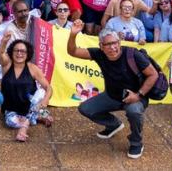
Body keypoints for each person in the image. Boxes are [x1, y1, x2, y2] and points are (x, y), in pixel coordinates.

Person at [67, 21, 158, 159]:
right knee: (85, 108)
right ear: (101, 46)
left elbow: (153, 75)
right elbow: (73, 51)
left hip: (136, 97)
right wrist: (73, 34)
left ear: (119, 42)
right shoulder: (99, 54)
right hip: (111, 96)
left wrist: (139, 95)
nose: (112, 47)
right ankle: (114, 124)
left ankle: (136, 142)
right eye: (108, 44)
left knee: (133, 111)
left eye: (115, 43)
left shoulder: (133, 55)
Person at [0, 33, 53, 142]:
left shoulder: (33, 68)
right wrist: (4, 41)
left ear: (28, 54)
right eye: (16, 50)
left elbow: (48, 87)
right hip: (12, 108)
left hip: (31, 104)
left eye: (23, 51)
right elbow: (0, 52)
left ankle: (24, 128)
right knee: (10, 122)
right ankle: (39, 116)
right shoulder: (6, 65)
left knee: (40, 93)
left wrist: (45, 100)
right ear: (12, 52)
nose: (19, 53)